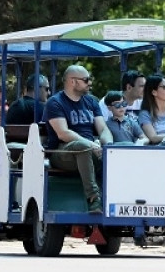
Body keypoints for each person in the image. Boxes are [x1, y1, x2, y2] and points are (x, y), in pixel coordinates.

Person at [43, 64, 113, 213]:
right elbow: (63, 133)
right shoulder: (55, 102)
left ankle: (120, 196)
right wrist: (92, 145)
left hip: (91, 149)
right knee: (82, 147)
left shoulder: (92, 101)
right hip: (63, 152)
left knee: (123, 146)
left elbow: (103, 129)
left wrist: (108, 146)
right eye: (86, 80)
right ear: (73, 81)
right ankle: (94, 198)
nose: (90, 83)